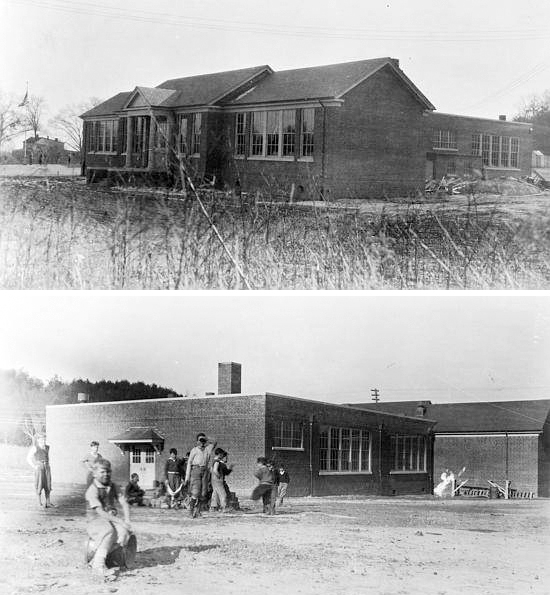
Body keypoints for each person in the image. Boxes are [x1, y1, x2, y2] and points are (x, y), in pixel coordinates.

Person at [85, 459, 132, 577]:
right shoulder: (93, 490)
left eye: (108, 472)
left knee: (124, 534)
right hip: (95, 521)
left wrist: (127, 521)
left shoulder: (113, 486)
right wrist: (120, 521)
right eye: (102, 472)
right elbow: (100, 512)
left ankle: (96, 558)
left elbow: (124, 503)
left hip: (110, 520)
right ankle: (98, 566)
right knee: (108, 531)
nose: (106, 474)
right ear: (94, 473)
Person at [184, 432, 216, 517]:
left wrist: (206, 439)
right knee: (195, 492)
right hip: (196, 470)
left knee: (203, 493)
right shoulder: (194, 450)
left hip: (205, 471)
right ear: (197, 441)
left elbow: (215, 442)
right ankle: (191, 511)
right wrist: (187, 477)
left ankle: (198, 511)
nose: (202, 442)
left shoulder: (207, 449)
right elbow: (189, 463)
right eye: (200, 440)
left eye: (203, 440)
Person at [26, 433, 53, 508]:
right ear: (38, 440)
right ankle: (39, 503)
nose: (43, 440)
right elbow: (28, 458)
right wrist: (34, 466)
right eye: (41, 439)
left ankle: (48, 502)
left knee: (48, 483)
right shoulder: (35, 448)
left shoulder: (47, 447)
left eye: (44, 438)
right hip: (39, 467)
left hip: (47, 466)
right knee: (39, 483)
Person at [210, 448, 233, 512]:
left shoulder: (213, 461)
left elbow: (211, 470)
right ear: (220, 454)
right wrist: (219, 476)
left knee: (215, 494)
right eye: (222, 454)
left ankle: (213, 507)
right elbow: (215, 470)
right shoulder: (217, 461)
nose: (223, 456)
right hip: (218, 480)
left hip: (213, 480)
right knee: (223, 494)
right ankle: (224, 507)